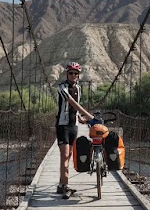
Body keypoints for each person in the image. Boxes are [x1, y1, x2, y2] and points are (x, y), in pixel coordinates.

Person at [55, 61, 94, 199]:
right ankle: (65, 186)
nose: (73, 75)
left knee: (69, 155)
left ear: (78, 75)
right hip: (63, 126)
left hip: (74, 126)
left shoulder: (78, 88)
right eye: (71, 73)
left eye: (76, 73)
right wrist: (89, 115)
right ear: (67, 74)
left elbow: (75, 108)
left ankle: (61, 184)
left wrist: (81, 118)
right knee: (64, 156)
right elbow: (71, 102)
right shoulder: (61, 87)